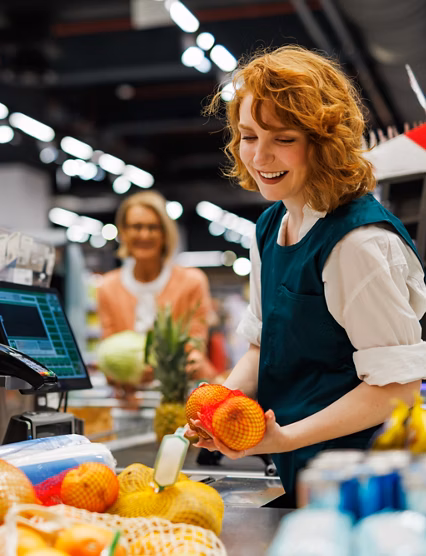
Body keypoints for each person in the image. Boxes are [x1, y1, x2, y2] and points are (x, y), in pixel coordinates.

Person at [187, 45, 426, 506]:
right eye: (249, 135)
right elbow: (263, 344)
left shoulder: (358, 244)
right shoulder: (271, 225)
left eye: (284, 138)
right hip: (304, 475)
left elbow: (395, 390)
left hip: (369, 486)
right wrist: (216, 405)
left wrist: (284, 438)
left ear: (324, 141)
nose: (260, 156)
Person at [97, 190, 216, 397]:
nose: (145, 235)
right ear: (123, 233)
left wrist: (184, 364)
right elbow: (110, 346)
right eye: (136, 227)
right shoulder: (108, 287)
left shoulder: (192, 282)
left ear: (165, 233)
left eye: (153, 227)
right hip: (131, 398)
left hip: (185, 396)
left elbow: (196, 342)